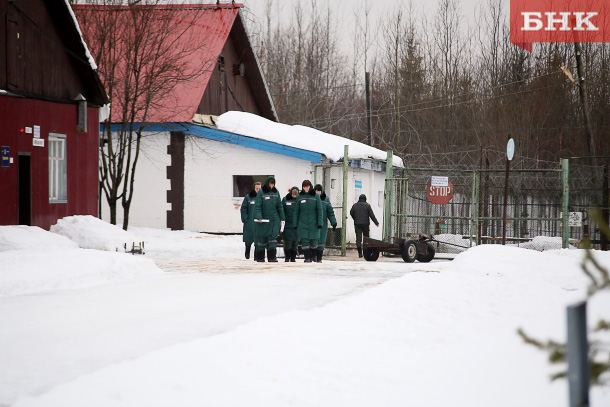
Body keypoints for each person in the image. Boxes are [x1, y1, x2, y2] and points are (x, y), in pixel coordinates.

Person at [254, 176, 285, 262]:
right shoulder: (261, 192)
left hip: (274, 219)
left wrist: (282, 218)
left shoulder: (276, 192)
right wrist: (259, 217)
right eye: (270, 184)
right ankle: (260, 257)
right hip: (264, 220)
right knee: (262, 239)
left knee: (273, 239)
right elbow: (258, 206)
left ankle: (272, 257)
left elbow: (279, 206)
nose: (271, 186)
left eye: (273, 184)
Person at [293, 180, 322, 263]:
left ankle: (314, 256)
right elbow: (296, 212)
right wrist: (295, 224)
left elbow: (319, 211)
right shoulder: (299, 197)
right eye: (304, 187)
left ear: (310, 187)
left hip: (314, 223)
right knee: (305, 241)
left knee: (314, 241)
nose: (306, 188)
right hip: (303, 223)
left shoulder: (316, 196)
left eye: (307, 187)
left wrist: (320, 223)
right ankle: (307, 258)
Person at [350, 194, 379, 258]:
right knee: (366, 239)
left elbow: (351, 212)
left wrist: (355, 218)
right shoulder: (367, 205)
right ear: (365, 199)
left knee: (358, 239)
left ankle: (360, 254)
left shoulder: (355, 205)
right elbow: (372, 215)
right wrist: (376, 223)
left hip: (357, 224)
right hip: (365, 224)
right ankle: (366, 253)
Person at [314, 184, 337, 263]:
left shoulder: (326, 199)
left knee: (321, 240)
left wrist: (333, 222)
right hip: (313, 224)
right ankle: (313, 256)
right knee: (313, 240)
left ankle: (319, 258)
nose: (317, 192)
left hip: (323, 224)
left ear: (322, 191)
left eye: (319, 191)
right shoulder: (312, 198)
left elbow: (330, 212)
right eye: (316, 190)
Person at [240, 181, 261, 259]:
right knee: (248, 239)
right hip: (249, 222)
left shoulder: (262, 197)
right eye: (256, 188)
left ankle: (256, 256)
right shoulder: (248, 197)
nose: (258, 190)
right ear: (253, 188)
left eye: (259, 188)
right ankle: (247, 252)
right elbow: (243, 209)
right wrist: (245, 219)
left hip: (259, 222)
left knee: (258, 240)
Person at [281, 186, 300, 262]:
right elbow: (282, 210)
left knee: (295, 242)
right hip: (287, 224)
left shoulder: (300, 200)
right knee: (287, 241)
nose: (294, 196)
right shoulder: (285, 199)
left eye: (296, 195)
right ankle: (287, 257)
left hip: (296, 225)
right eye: (293, 194)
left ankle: (293, 258)